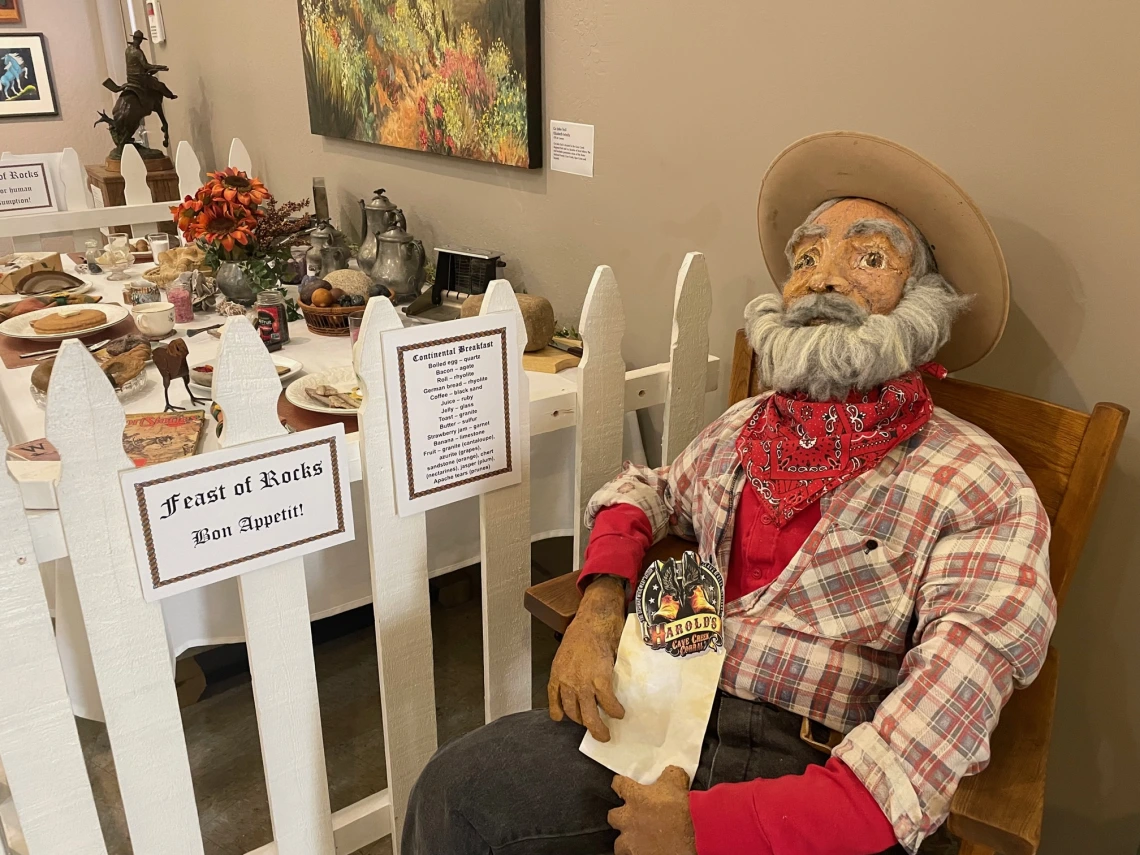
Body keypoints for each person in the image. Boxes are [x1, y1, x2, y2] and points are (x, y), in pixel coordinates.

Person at [401, 131, 1057, 855]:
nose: (822, 280)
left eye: (869, 257)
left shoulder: (981, 487)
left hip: (822, 771)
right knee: (456, 792)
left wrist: (704, 829)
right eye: (805, 258)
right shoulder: (747, 428)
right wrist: (598, 604)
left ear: (924, 301)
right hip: (670, 715)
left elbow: (917, 758)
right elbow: (643, 488)